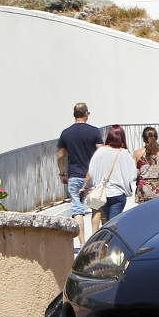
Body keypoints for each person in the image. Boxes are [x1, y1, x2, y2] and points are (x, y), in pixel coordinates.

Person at [56, 102, 101, 247]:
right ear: (86, 113)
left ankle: (82, 243)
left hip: (74, 175)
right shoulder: (94, 131)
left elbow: (60, 155)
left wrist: (62, 173)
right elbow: (100, 151)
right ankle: (94, 239)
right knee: (96, 206)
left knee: (77, 210)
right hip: (92, 175)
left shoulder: (66, 133)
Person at [82, 125, 137, 230]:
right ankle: (110, 243)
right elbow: (133, 175)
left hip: (103, 194)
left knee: (108, 222)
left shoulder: (99, 152)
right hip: (118, 193)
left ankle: (107, 243)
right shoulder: (124, 153)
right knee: (113, 224)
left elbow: (92, 172)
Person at [133, 126, 159, 204]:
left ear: (143, 138)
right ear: (156, 137)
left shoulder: (137, 153)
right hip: (158, 187)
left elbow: (133, 172)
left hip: (143, 188)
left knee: (143, 212)